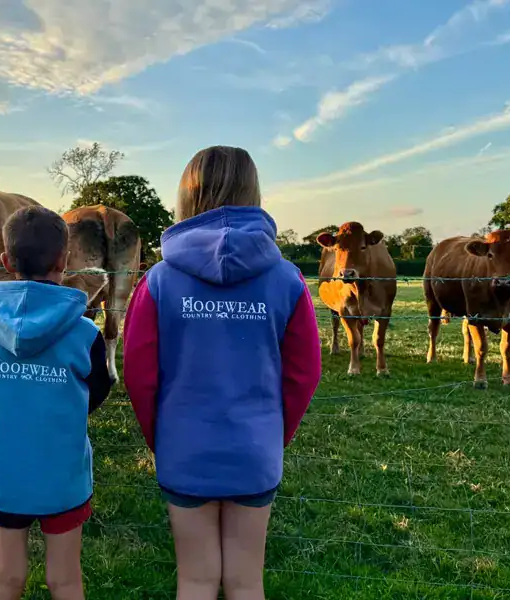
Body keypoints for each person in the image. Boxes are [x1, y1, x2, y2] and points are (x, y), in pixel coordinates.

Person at [122, 145, 322, 600]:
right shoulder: (288, 281)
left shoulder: (157, 282)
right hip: (255, 450)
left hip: (184, 449)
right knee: (247, 582)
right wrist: (272, 434)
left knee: (194, 580)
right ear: (254, 194)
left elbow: (138, 374)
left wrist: (163, 438)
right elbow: (304, 375)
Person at [0, 205, 114, 600]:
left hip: (6, 476)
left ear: (5, 262)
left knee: (5, 577)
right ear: (64, 261)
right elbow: (97, 390)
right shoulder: (85, 334)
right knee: (65, 579)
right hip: (63, 475)